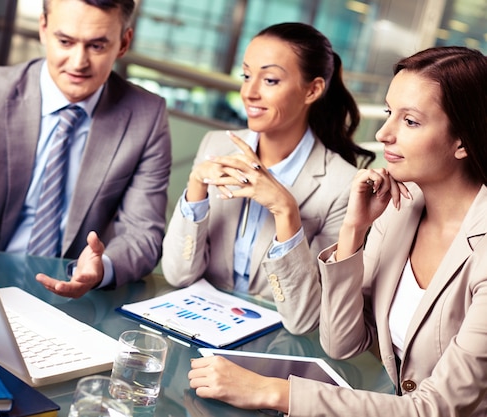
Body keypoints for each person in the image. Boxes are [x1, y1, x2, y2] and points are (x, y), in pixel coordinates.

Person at [188, 45, 487, 416]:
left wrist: (272, 392)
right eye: (390, 113)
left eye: (409, 121)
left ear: (463, 140)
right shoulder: (399, 209)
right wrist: (353, 231)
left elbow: (436, 408)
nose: (383, 134)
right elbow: (342, 343)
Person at [0, 0, 171, 299]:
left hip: (71, 298)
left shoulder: (147, 115)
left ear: (123, 43)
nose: (78, 62)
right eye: (65, 41)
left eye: (96, 46)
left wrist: (102, 268)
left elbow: (143, 233)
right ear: (43, 29)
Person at [161, 22, 373, 335]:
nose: (249, 92)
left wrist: (286, 212)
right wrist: (196, 186)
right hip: (198, 327)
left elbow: (305, 319)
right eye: (246, 75)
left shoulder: (341, 184)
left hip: (277, 347)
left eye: (270, 79)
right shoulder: (215, 146)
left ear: (312, 89)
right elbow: (178, 275)